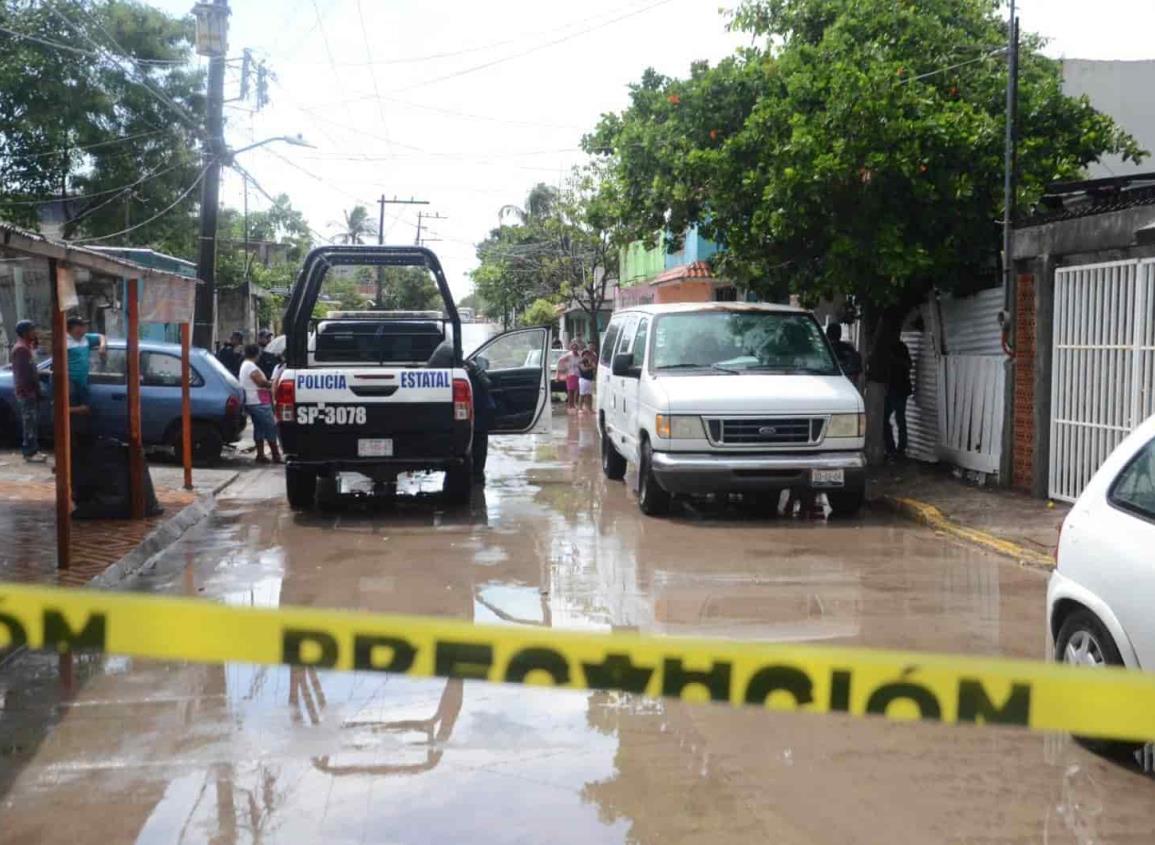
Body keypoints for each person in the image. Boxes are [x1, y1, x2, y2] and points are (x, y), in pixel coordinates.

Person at [238, 344, 282, 464]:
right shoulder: (250, 366)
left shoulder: (245, 365)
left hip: (254, 401)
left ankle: (261, 455)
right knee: (270, 427)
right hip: (258, 401)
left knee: (260, 429)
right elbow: (260, 382)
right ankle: (276, 455)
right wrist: (272, 384)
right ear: (256, 354)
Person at [10, 320, 45, 462]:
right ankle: (29, 452)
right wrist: (34, 390)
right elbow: (24, 375)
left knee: (32, 422)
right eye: (32, 330)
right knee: (29, 422)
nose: (34, 333)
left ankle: (33, 449)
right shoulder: (21, 349)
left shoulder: (27, 346)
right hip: (27, 392)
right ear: (25, 332)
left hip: (30, 391)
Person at [65, 316, 105, 411]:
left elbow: (101, 336)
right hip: (70, 382)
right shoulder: (64, 342)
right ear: (73, 329)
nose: (84, 329)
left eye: (83, 327)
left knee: (84, 408)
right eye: (80, 327)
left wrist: (102, 346)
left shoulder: (86, 338)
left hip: (82, 381)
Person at [466, 359, 495, 483]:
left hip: (480, 411)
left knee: (479, 444)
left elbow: (487, 384)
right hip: (478, 410)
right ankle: (476, 474)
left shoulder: (472, 370)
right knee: (477, 444)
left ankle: (477, 475)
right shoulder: (471, 369)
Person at [885, 338, 913, 458]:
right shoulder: (899, 347)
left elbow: (908, 365)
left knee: (894, 418)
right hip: (897, 388)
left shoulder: (897, 348)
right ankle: (896, 448)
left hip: (897, 388)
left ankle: (896, 449)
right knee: (897, 418)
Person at [557, 341, 580, 412]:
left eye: (576, 347)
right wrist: (562, 371)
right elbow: (560, 361)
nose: (575, 349)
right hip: (570, 375)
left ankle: (575, 404)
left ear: (577, 348)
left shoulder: (579, 356)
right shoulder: (569, 355)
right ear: (571, 348)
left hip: (578, 375)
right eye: (573, 347)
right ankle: (570, 406)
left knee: (577, 391)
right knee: (570, 391)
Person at [577, 349, 596, 413]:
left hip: (590, 380)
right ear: (583, 355)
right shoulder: (580, 362)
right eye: (585, 354)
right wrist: (591, 367)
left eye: (588, 354)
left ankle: (590, 408)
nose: (587, 355)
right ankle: (580, 408)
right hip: (583, 380)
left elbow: (594, 366)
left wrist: (590, 363)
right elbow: (584, 369)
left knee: (589, 395)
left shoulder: (591, 361)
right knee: (582, 394)